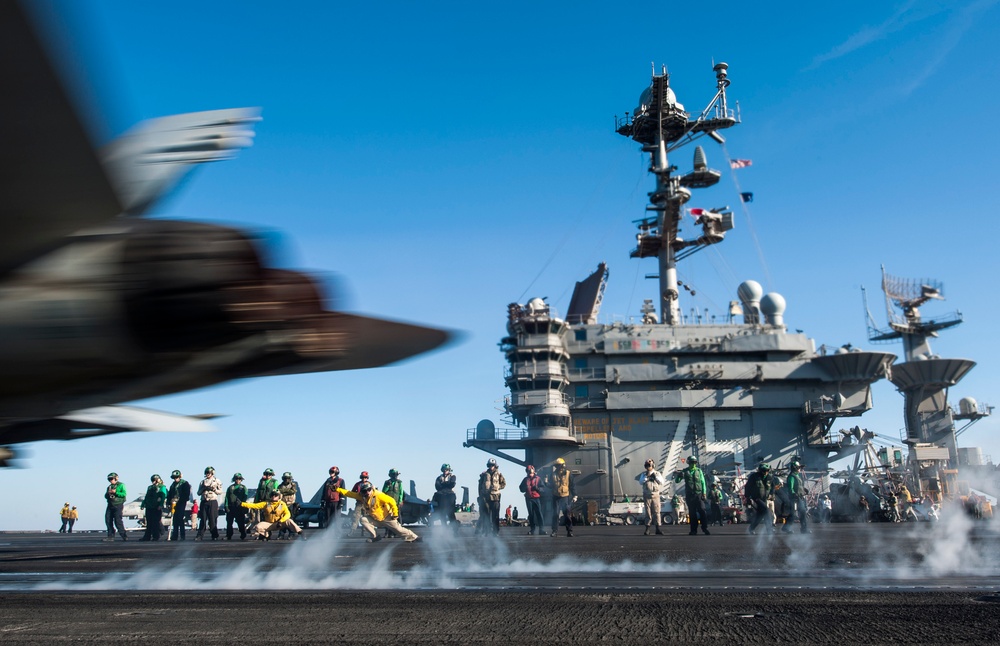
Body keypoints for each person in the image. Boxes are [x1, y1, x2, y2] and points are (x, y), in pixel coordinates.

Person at [337, 481, 419, 543]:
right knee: (363, 520)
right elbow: (349, 493)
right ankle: (375, 536)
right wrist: (337, 489)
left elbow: (392, 501)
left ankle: (415, 537)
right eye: (365, 491)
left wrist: (395, 513)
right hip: (375, 519)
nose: (367, 492)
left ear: (371, 489)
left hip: (387, 517)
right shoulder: (362, 496)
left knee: (399, 530)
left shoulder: (378, 495)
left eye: (369, 490)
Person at [241, 490, 306, 541]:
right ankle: (266, 535)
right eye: (272, 495)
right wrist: (241, 504)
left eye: (276, 495)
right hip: (269, 524)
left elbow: (287, 514)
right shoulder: (266, 503)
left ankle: (300, 532)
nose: (274, 496)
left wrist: (281, 521)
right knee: (258, 526)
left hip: (279, 523)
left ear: (279, 496)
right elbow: (254, 505)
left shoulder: (282, 504)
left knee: (289, 521)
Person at [675, 456, 709, 536]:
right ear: (689, 463)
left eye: (694, 462)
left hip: (699, 494)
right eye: (691, 462)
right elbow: (677, 481)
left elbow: (703, 482)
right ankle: (693, 530)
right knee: (692, 513)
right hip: (690, 495)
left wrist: (704, 493)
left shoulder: (699, 471)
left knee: (702, 510)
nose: (693, 464)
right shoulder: (685, 471)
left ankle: (705, 528)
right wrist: (679, 475)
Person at [744, 462, 774, 535]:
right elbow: (747, 487)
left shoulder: (770, 477)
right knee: (766, 510)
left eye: (767, 470)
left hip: (765, 498)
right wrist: (747, 497)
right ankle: (769, 529)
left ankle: (751, 528)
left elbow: (772, 487)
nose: (766, 472)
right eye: (764, 470)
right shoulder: (754, 477)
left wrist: (771, 494)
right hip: (756, 497)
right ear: (760, 470)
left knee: (760, 515)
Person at [549, 458, 576, 537]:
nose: (558, 467)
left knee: (567, 514)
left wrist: (575, 495)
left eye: (559, 465)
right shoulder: (553, 474)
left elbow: (572, 485)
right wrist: (546, 483)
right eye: (557, 466)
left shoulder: (568, 474)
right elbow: (551, 485)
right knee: (555, 514)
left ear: (563, 465)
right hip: (556, 496)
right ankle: (554, 531)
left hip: (565, 496)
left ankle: (569, 531)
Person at [478, 458, 506, 536]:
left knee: (495, 515)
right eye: (490, 465)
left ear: (495, 466)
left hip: (496, 497)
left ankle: (495, 531)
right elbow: (480, 485)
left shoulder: (499, 474)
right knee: (486, 515)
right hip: (486, 497)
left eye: (492, 465)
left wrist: (497, 487)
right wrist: (480, 496)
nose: (491, 467)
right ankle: (487, 531)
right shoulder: (484, 474)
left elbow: (504, 483)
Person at [196, 466, 223, 540]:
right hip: (204, 501)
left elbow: (220, 491)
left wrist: (214, 489)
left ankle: (214, 535)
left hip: (212, 501)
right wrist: (204, 488)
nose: (207, 474)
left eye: (209, 473)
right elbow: (198, 493)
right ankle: (200, 535)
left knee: (212, 519)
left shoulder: (216, 481)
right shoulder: (202, 482)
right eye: (206, 473)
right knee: (203, 519)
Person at [640, 459, 664, 536]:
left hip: (655, 495)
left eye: (649, 465)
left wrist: (655, 478)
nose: (648, 467)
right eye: (646, 465)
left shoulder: (657, 473)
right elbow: (641, 482)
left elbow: (661, 482)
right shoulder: (644, 474)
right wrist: (647, 478)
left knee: (657, 512)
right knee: (648, 513)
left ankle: (658, 528)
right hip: (647, 495)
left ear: (653, 465)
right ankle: (647, 529)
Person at [139, 474, 167, 541]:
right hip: (149, 506)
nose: (153, 482)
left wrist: (160, 505)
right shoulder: (150, 487)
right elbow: (147, 497)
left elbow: (163, 496)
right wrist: (143, 504)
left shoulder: (162, 487)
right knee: (149, 522)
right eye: (152, 480)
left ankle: (156, 536)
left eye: (154, 480)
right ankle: (147, 537)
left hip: (156, 507)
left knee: (155, 522)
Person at [786, 458, 810, 534]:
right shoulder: (792, 477)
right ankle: (802, 529)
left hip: (799, 497)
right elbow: (791, 487)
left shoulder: (797, 476)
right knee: (797, 513)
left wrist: (804, 490)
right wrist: (794, 494)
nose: (800, 469)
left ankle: (803, 529)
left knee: (799, 513)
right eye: (799, 467)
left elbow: (798, 486)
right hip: (795, 498)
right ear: (795, 468)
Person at [519, 465, 544, 535]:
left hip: (536, 498)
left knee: (539, 513)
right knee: (531, 514)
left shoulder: (538, 479)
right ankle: (532, 529)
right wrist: (525, 488)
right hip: (529, 498)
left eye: (530, 472)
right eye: (528, 472)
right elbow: (521, 488)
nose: (529, 473)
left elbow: (543, 488)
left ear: (533, 471)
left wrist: (537, 489)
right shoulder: (525, 479)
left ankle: (541, 529)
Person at [167, 469, 192, 540]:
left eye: (176, 477)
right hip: (173, 504)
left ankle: (182, 535)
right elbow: (170, 494)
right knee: (174, 519)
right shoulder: (173, 485)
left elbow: (186, 494)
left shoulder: (184, 483)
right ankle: (174, 535)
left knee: (180, 519)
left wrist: (179, 500)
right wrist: (169, 502)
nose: (175, 479)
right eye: (174, 477)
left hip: (181, 503)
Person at [433, 464, 460, 529]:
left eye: (447, 470)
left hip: (450, 496)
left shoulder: (452, 476)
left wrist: (443, 484)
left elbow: (452, 484)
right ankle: (444, 529)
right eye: (444, 470)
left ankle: (454, 530)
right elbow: (437, 486)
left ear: (449, 470)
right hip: (441, 496)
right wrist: (447, 484)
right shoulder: (439, 477)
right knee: (442, 513)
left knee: (451, 513)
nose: (445, 471)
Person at [103, 472, 128, 542]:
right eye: (109, 479)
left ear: (116, 478)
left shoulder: (121, 485)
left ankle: (123, 535)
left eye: (111, 479)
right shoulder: (109, 487)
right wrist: (108, 493)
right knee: (108, 520)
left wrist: (115, 492)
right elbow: (105, 496)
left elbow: (124, 494)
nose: (111, 480)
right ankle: (110, 536)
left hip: (118, 504)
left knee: (118, 520)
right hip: (110, 504)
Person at [225, 473, 249, 540]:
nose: (238, 480)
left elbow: (245, 497)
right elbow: (227, 497)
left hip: (239, 507)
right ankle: (228, 535)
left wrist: (242, 505)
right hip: (231, 506)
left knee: (240, 522)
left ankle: (243, 534)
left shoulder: (243, 488)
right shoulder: (230, 488)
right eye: (236, 479)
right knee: (229, 522)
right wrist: (226, 506)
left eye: (239, 479)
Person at [276, 472, 298, 539]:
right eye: (285, 478)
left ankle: (291, 533)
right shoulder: (280, 486)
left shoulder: (293, 485)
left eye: (288, 478)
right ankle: (281, 534)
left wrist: (283, 491)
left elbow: (293, 491)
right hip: (282, 504)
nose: (286, 480)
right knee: (281, 519)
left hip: (290, 504)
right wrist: (286, 491)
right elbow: (279, 492)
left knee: (290, 519)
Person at [349, 471, 371, 535]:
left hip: (366, 504)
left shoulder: (369, 484)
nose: (364, 479)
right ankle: (352, 530)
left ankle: (364, 531)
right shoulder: (357, 484)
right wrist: (357, 494)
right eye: (363, 477)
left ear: (367, 478)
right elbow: (352, 492)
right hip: (359, 503)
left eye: (365, 477)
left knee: (366, 518)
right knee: (355, 517)